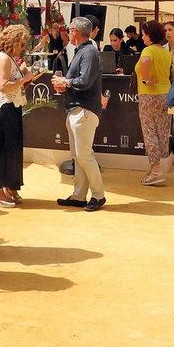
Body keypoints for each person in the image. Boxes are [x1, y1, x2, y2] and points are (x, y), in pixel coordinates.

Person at [52, 16, 106, 211]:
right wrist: (64, 84)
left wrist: (64, 83)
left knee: (83, 155)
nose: (67, 32)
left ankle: (98, 196)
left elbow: (84, 82)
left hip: (84, 110)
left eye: (69, 29)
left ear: (75, 31)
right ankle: (79, 195)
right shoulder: (84, 51)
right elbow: (80, 80)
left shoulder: (89, 52)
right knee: (78, 156)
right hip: (77, 110)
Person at [0, 23, 34, 206]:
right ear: (13, 42)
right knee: (3, 149)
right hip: (5, 109)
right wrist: (24, 78)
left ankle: (10, 186)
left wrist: (25, 78)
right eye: (22, 44)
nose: (23, 48)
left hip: (12, 107)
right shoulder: (3, 59)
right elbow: (4, 85)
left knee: (12, 149)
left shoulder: (9, 58)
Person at [135, 19, 174, 187]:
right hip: (166, 94)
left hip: (149, 95)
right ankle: (157, 168)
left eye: (143, 34)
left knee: (149, 131)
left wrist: (145, 80)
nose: (142, 37)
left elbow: (145, 62)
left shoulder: (148, 50)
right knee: (162, 131)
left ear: (149, 35)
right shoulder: (166, 52)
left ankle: (156, 170)